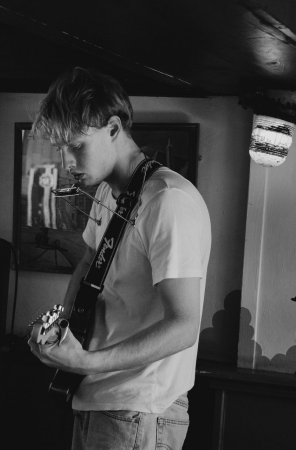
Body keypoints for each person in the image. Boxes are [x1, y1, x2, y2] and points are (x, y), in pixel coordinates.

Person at [28, 67, 211, 450]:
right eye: (60, 149)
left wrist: (85, 362)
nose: (66, 161)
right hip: (98, 395)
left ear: (113, 128)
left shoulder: (167, 200)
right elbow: (89, 262)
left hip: (139, 408)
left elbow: (184, 326)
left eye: (76, 146)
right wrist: (63, 330)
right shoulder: (111, 192)